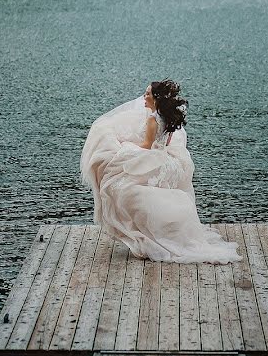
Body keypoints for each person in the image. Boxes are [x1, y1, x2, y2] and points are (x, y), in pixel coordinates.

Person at [80, 80, 241, 264]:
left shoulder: (152, 119)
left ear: (156, 98)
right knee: (134, 189)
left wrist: (124, 145)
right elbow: (162, 141)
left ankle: (144, 236)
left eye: (148, 94)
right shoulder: (165, 117)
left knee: (118, 186)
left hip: (153, 158)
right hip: (166, 158)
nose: (144, 97)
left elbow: (146, 146)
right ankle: (152, 233)